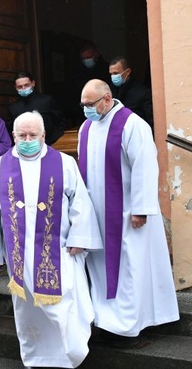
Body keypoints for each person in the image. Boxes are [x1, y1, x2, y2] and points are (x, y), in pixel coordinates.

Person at [0, 112, 102, 368]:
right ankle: (36, 357)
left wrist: (80, 236)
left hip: (61, 251)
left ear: (44, 135)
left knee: (65, 303)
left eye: (33, 135)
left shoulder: (64, 163)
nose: (28, 140)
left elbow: (80, 203)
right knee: (27, 310)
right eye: (22, 135)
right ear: (13, 136)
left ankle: (70, 352)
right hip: (18, 257)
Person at [77, 79, 179, 346]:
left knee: (131, 268)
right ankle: (105, 321)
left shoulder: (132, 124)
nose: (86, 110)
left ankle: (129, 328)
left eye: (90, 104)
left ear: (107, 99)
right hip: (98, 215)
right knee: (100, 269)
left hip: (127, 214)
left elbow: (145, 166)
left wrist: (141, 209)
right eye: (83, 105)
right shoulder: (86, 128)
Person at [7, 71, 67, 145]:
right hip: (24, 146)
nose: (23, 88)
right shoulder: (13, 107)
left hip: (49, 144)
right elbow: (10, 129)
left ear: (33, 83)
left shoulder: (47, 100)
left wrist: (54, 141)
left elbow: (61, 122)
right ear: (15, 87)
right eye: (20, 86)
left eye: (26, 85)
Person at [108, 56, 154, 129]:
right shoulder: (109, 93)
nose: (113, 76)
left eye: (116, 73)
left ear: (128, 72)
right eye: (111, 74)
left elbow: (151, 121)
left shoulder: (142, 93)